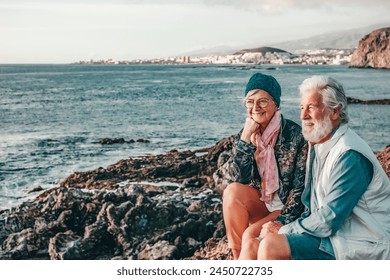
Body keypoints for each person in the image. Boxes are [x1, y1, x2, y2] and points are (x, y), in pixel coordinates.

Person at [258, 75, 390, 260]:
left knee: (271, 246)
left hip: (364, 244)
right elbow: (311, 208)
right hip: (336, 237)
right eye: (302, 108)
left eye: (311, 107)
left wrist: (284, 230)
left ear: (335, 112)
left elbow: (329, 219)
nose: (303, 116)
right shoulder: (319, 144)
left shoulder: (349, 154)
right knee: (254, 244)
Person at [222, 73, 307, 260]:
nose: (255, 107)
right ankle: (237, 259)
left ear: (276, 103)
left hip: (284, 208)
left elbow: (300, 188)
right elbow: (236, 178)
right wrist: (245, 141)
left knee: (250, 236)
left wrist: (281, 222)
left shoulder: (295, 136)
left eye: (263, 101)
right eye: (250, 102)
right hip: (261, 203)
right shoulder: (246, 134)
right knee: (232, 191)